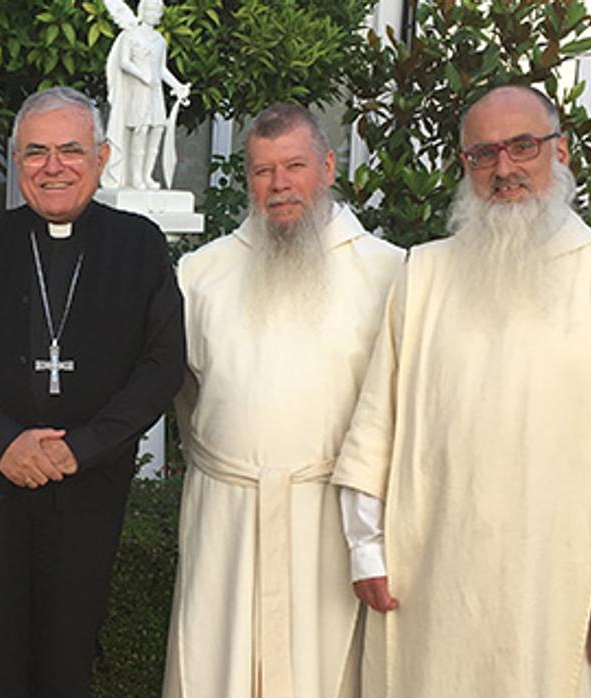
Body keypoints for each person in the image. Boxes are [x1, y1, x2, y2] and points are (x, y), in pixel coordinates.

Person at [332, 85, 591, 697]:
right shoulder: (426, 273)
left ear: (562, 152)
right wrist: (367, 551)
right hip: (432, 579)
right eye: (482, 154)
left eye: (523, 147)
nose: (503, 169)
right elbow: (376, 421)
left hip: (557, 584)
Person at [0, 86, 185, 698]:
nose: (53, 166)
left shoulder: (138, 245)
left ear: (102, 157)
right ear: (16, 161)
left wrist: (83, 448)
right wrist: (0, 440)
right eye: (36, 152)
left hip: (88, 487)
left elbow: (162, 363)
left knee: (69, 660)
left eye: (70, 150)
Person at [164, 104, 403, 698]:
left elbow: (400, 408)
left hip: (332, 521)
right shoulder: (202, 273)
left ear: (326, 166)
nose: (279, 185)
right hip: (227, 515)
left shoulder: (389, 273)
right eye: (262, 171)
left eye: (294, 166)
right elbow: (185, 395)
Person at [102, 0, 191, 190]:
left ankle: (147, 174)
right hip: (138, 92)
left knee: (157, 129)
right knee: (140, 130)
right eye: (151, 10)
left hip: (155, 91)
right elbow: (124, 62)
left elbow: (161, 69)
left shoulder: (159, 39)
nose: (155, 14)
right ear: (142, 11)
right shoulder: (130, 35)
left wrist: (178, 86)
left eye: (158, 11)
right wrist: (142, 75)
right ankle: (136, 177)